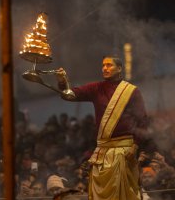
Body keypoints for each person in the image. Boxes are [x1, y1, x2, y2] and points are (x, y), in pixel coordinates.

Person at [56, 56, 149, 200]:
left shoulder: (131, 91)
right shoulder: (96, 88)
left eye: (109, 65)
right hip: (102, 152)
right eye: (103, 65)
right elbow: (69, 95)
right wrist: (62, 81)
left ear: (119, 69)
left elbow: (142, 120)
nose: (105, 68)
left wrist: (135, 146)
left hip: (124, 151)